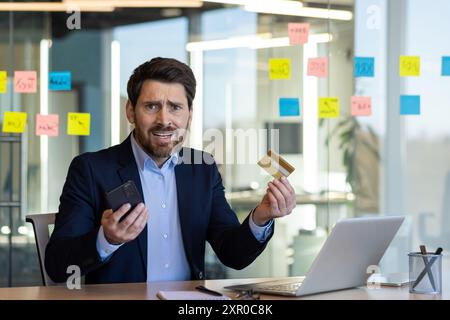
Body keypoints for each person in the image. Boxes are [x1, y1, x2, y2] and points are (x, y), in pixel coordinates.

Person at [45, 57, 296, 284]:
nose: (164, 120)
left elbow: (233, 254)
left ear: (189, 115)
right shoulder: (91, 169)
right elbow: (58, 266)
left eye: (175, 107)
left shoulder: (203, 168)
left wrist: (261, 218)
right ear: (130, 111)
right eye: (152, 106)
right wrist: (106, 240)